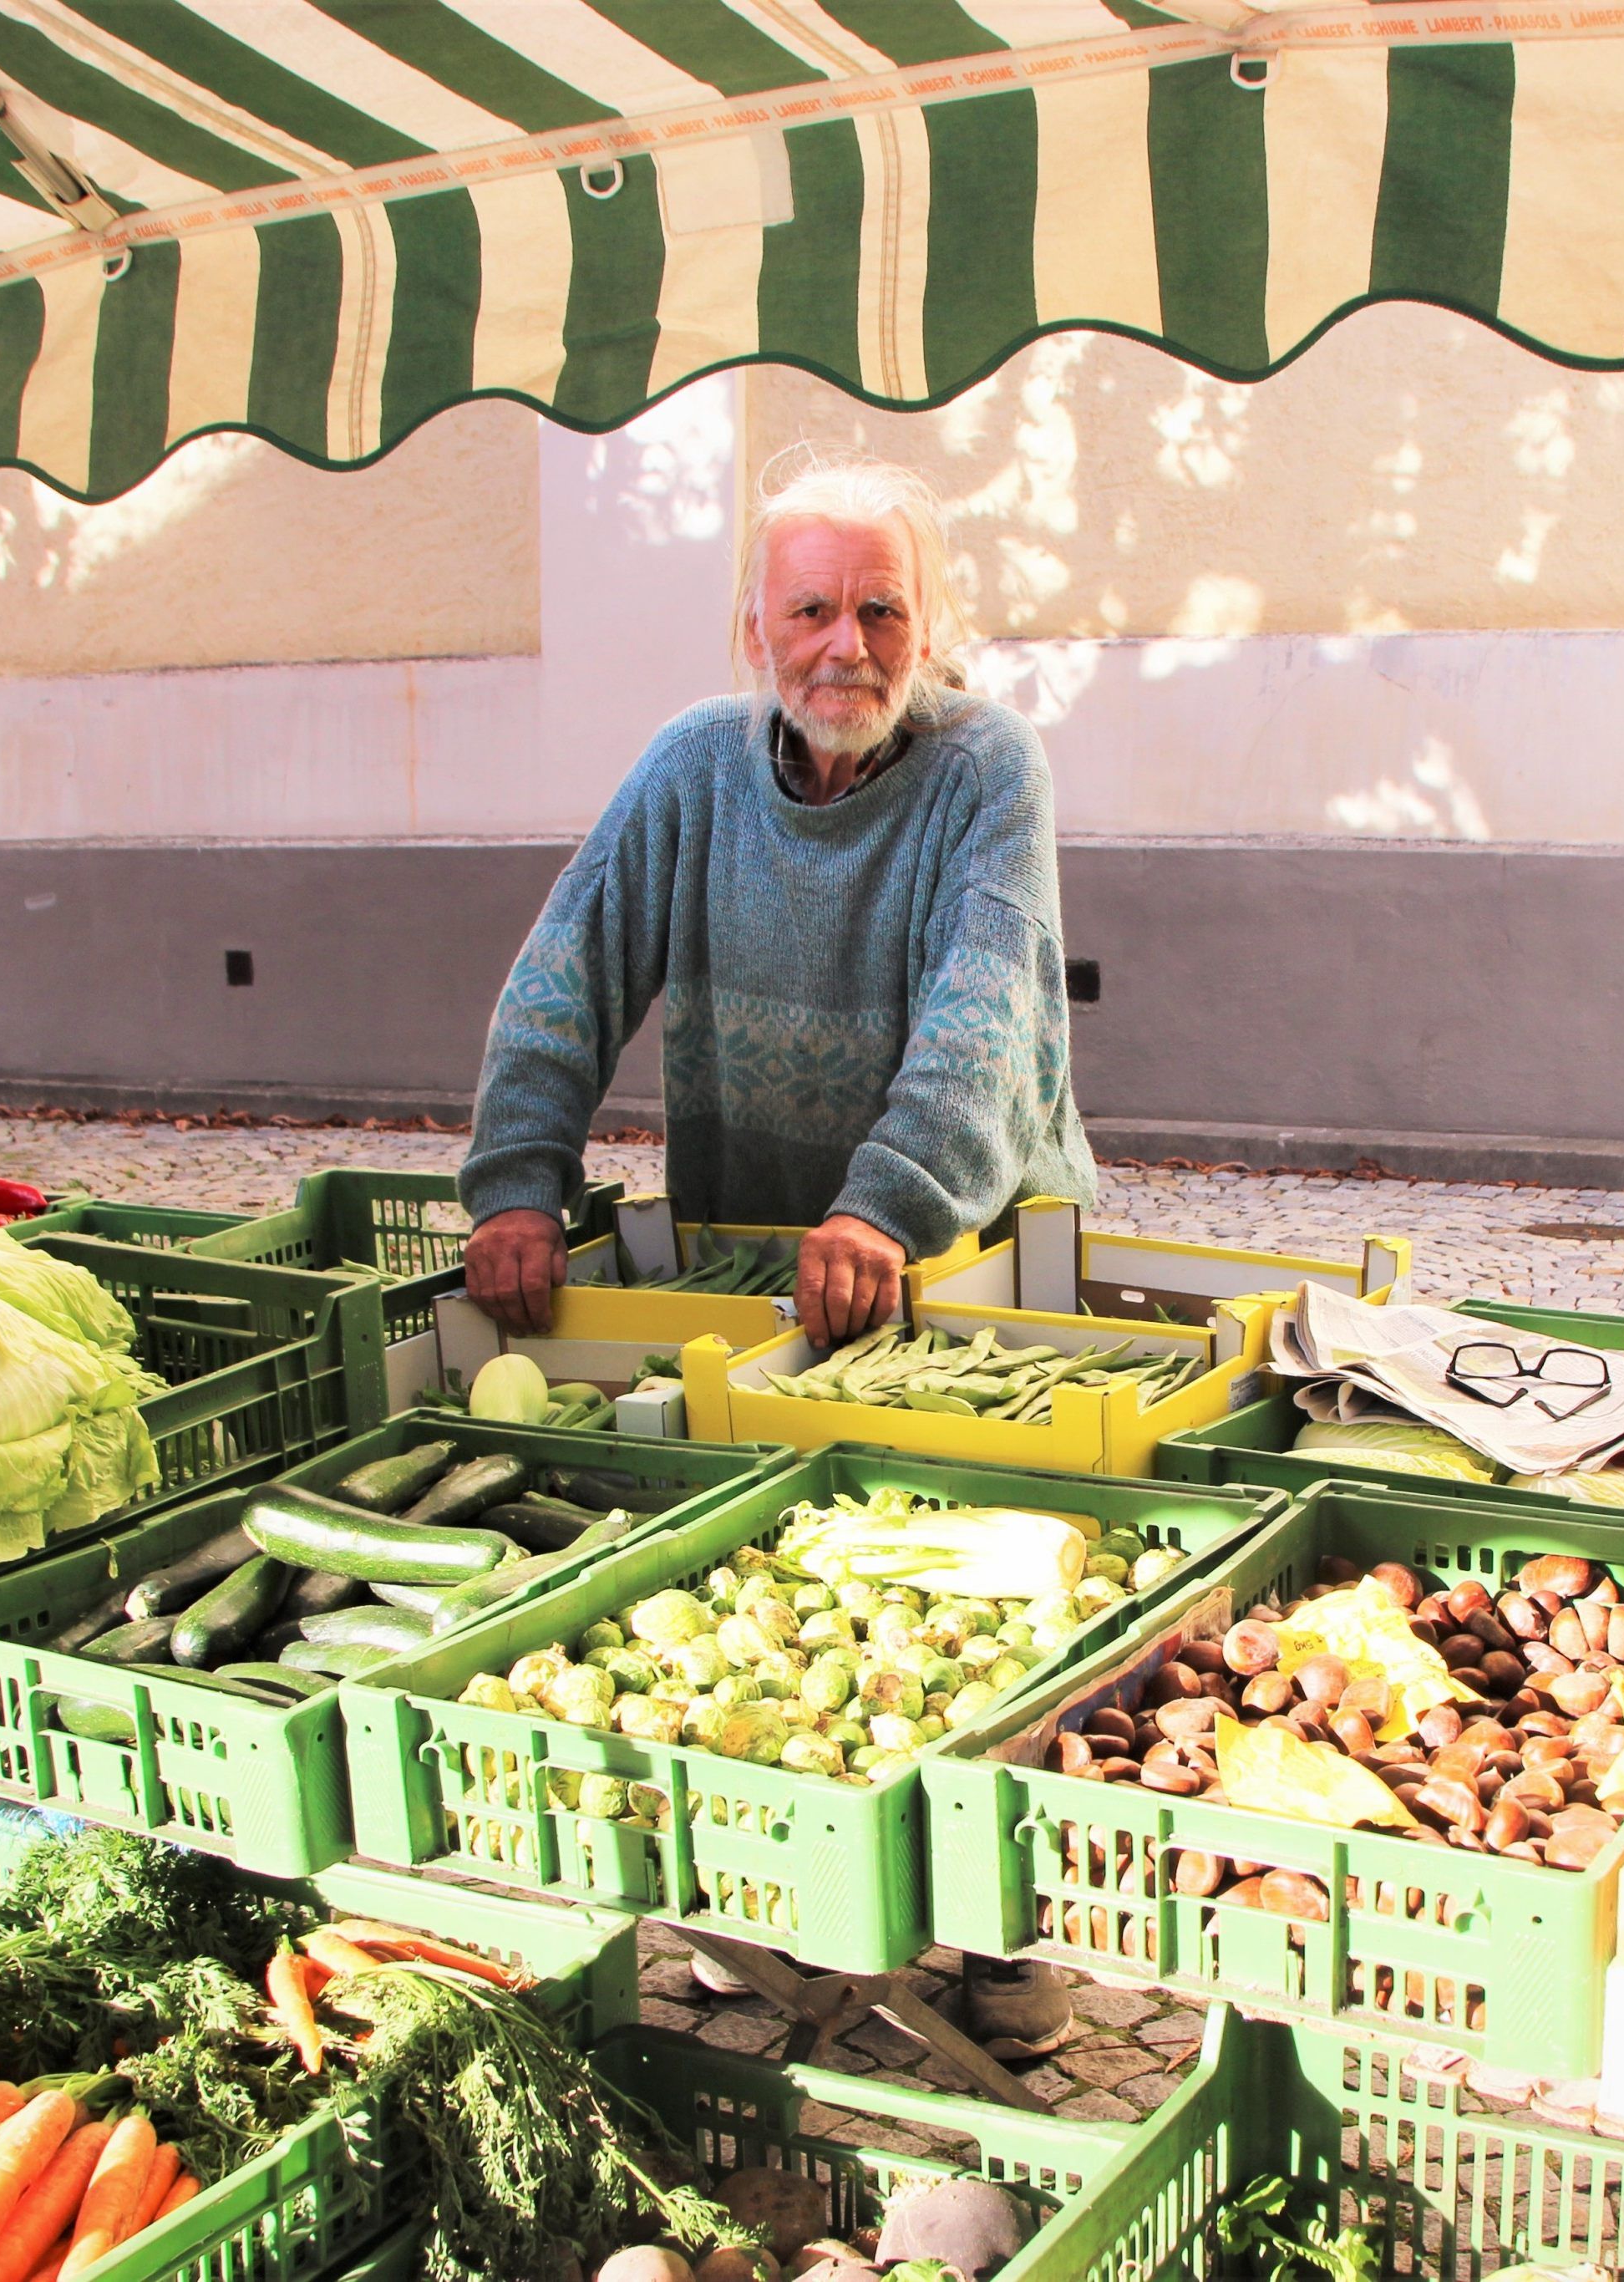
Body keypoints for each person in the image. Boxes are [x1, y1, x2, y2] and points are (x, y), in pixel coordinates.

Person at [455, 449, 1094, 2048]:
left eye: (883, 608)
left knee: (991, 1581)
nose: (846, 648)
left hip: (972, 1259)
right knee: (789, 1588)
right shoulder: (687, 770)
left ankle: (999, 1935)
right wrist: (515, 1183)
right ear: (755, 629)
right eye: (810, 610)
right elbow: (566, 970)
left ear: (931, 622)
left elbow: (984, 1013)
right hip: (761, 1267)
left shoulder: (985, 769)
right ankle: (773, 1901)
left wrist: (889, 1200)